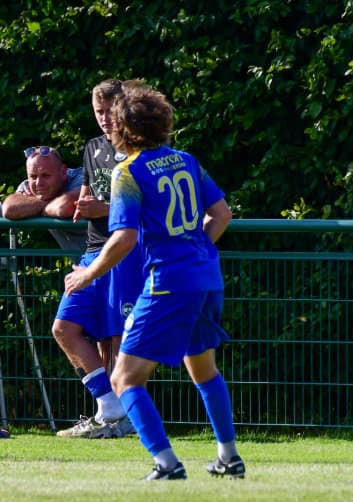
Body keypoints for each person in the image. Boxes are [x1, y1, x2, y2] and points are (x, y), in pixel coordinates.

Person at [64, 80, 242, 480]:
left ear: (125, 128)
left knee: (124, 379)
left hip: (168, 283)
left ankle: (166, 463)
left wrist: (87, 274)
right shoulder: (186, 160)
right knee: (204, 370)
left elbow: (123, 238)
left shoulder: (127, 172)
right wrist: (194, 250)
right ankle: (228, 457)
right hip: (206, 277)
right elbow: (222, 214)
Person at [50, 79, 143, 439]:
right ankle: (109, 408)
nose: (104, 118)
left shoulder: (140, 148)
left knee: (118, 337)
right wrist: (79, 204)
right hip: (93, 251)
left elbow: (147, 207)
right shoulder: (92, 148)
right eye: (98, 111)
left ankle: (124, 417)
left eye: (110, 111)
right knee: (64, 328)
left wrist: (102, 208)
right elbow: (87, 196)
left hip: (126, 251)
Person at [0, 145, 87, 252]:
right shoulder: (28, 186)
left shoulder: (83, 178)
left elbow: (63, 208)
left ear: (63, 172)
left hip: (104, 256)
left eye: (45, 175)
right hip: (84, 260)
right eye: (33, 176)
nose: (38, 183)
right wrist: (51, 205)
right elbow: (9, 209)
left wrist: (34, 206)